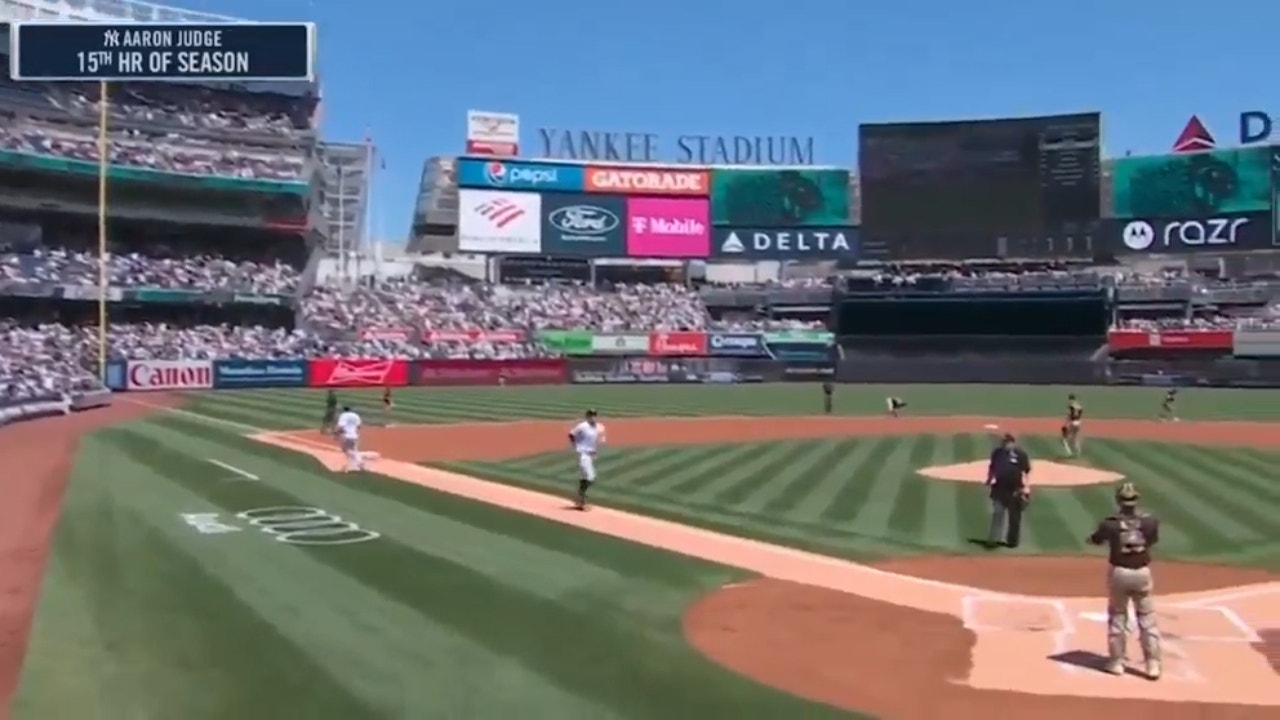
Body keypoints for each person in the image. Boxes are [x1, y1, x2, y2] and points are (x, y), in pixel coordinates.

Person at [1086, 483, 1162, 679]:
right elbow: (1152, 540)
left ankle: (1116, 662)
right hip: (1142, 572)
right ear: (1136, 500)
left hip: (1119, 572)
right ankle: (1152, 664)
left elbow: (1096, 539)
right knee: (1147, 618)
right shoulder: (1150, 521)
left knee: (1118, 617)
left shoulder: (1110, 523)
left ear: (1119, 501)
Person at [985, 433, 1031, 548]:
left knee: (1015, 517)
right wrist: (989, 479)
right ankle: (994, 539)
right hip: (999, 488)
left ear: (1013, 443)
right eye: (1004, 442)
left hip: (1016, 489)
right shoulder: (997, 453)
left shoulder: (1020, 454)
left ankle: (1012, 541)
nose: (1005, 444)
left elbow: (1026, 472)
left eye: (1007, 442)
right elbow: (992, 467)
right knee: (997, 514)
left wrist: (1026, 487)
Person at [568, 409, 606, 510]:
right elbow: (571, 434)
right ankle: (581, 498)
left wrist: (595, 450)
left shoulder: (600, 427)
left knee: (591, 477)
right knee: (589, 477)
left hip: (590, 454)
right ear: (587, 416)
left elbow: (600, 440)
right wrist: (576, 446)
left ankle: (580, 497)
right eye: (591, 415)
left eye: (594, 415)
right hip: (582, 453)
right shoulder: (582, 426)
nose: (593, 417)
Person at [334, 405, 365, 473]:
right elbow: (359, 426)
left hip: (346, 436)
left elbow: (341, 427)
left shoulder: (343, 415)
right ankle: (360, 463)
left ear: (344, 410)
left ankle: (346, 467)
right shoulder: (356, 415)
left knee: (346, 450)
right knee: (354, 450)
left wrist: (336, 433)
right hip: (355, 436)